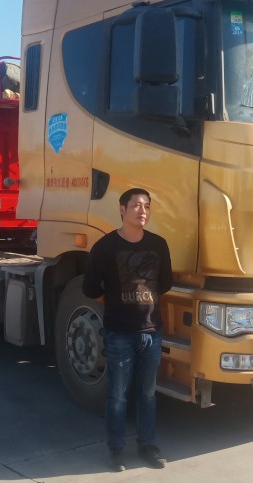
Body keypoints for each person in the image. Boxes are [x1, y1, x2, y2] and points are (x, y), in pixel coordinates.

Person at [83, 188, 173, 472]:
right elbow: (89, 287)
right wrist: (115, 303)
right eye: (136, 205)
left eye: (147, 206)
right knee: (118, 395)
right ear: (122, 209)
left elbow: (165, 283)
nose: (142, 211)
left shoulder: (158, 245)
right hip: (119, 333)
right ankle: (116, 450)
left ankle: (148, 446)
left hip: (151, 332)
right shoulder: (105, 247)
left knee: (147, 393)